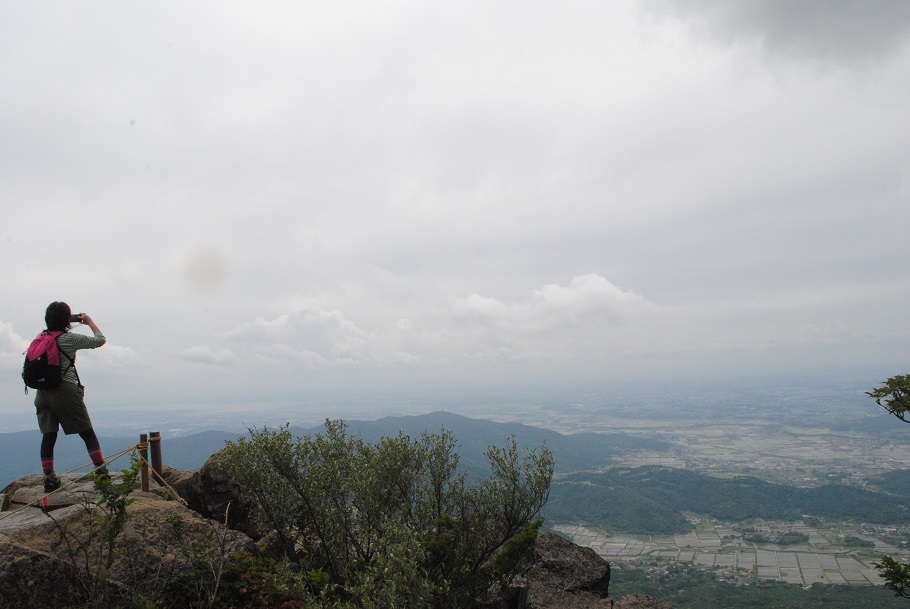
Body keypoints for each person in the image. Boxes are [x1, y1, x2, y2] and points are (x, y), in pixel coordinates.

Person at [35, 301, 108, 492]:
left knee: (48, 436)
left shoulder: (40, 338)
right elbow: (100, 340)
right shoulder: (69, 339)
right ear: (67, 319)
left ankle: (49, 480)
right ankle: (101, 472)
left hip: (42, 394)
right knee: (87, 432)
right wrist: (90, 322)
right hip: (64, 390)